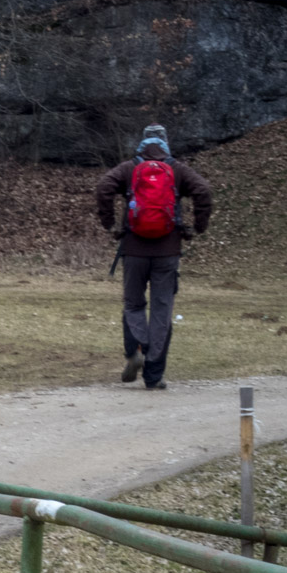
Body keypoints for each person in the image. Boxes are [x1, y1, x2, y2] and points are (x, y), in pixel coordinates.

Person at [95, 124, 212, 390]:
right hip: (167, 252)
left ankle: (137, 349)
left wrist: (110, 224)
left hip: (133, 250)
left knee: (133, 305)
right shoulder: (178, 169)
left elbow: (103, 187)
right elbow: (203, 191)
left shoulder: (128, 168)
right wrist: (198, 227)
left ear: (142, 142)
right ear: (165, 142)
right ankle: (153, 376)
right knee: (161, 311)